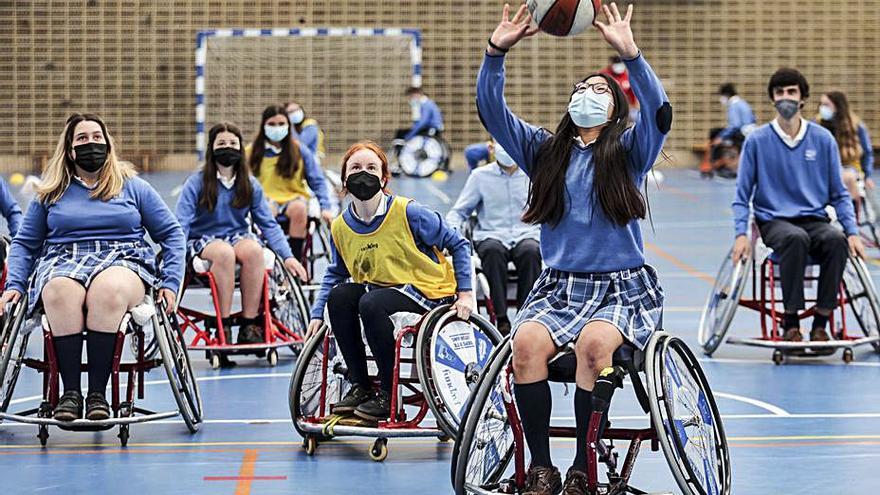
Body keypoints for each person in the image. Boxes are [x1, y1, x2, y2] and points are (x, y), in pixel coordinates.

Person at [478, 4, 668, 493]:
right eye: (582, 88)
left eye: (600, 89)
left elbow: (661, 115)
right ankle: (541, 467)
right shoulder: (544, 151)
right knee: (523, 347)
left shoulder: (629, 152)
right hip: (559, 287)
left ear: (615, 107)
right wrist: (496, 52)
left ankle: (584, 468)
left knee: (594, 347)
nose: (588, 93)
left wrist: (632, 56)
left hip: (620, 288)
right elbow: (491, 112)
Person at [0, 113, 185, 422]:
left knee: (107, 290)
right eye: (82, 139)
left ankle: (97, 394)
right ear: (70, 150)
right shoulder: (50, 193)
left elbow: (171, 234)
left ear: (108, 144)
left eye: (97, 138)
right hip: (63, 259)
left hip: (124, 258)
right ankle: (70, 393)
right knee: (58, 291)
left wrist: (171, 281)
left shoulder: (133, 187)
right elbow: (24, 244)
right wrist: (14, 286)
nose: (91, 144)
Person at [305, 141, 474, 422]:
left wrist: (465, 293)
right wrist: (316, 313)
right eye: (356, 168)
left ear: (384, 178)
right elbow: (336, 272)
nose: (364, 173)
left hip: (427, 292)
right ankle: (360, 385)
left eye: (372, 167)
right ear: (344, 179)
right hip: (380, 291)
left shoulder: (410, 212)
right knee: (341, 296)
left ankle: (387, 392)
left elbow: (458, 243)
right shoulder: (340, 226)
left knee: (370, 302)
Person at [732, 69, 866, 346]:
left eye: (791, 92)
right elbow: (742, 195)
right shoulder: (757, 141)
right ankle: (790, 322)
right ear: (772, 98)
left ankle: (821, 322)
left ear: (803, 98)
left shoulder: (823, 140)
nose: (785, 98)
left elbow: (840, 194)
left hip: (814, 219)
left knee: (835, 240)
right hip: (775, 221)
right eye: (779, 93)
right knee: (795, 239)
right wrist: (741, 235)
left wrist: (852, 231)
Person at [176, 122, 308, 353]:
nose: (227, 147)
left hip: (236, 235)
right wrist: (174, 258)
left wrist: (288, 257)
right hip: (203, 239)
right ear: (212, 148)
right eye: (222, 143)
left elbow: (268, 224)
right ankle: (223, 325)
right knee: (224, 253)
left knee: (254, 251)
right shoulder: (196, 183)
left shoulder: (249, 184)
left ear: (240, 148)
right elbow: (182, 224)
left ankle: (249, 325)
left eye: (232, 143)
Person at [446, 141, 540, 334]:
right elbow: (459, 212)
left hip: (527, 233)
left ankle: (525, 316)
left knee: (531, 251)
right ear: (491, 147)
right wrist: (450, 233)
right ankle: (501, 318)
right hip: (491, 233)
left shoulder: (534, 174)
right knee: (492, 251)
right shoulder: (479, 176)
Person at [248, 105, 334, 262]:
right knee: (266, 210)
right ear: (263, 126)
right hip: (266, 199)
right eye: (272, 124)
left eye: (281, 124)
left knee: (299, 209)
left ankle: (295, 261)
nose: (277, 128)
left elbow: (317, 180)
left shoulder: (299, 150)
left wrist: (325, 207)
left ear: (288, 126)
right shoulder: (251, 151)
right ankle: (269, 260)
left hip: (293, 198)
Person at [816, 91, 875, 204]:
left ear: (838, 106)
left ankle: (853, 210)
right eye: (821, 104)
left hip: (849, 166)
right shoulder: (816, 124)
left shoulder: (856, 126)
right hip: (823, 167)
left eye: (826, 105)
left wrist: (867, 175)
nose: (822, 108)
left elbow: (867, 153)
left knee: (846, 177)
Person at [702, 83, 757, 178]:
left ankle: (717, 166)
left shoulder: (734, 105)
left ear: (726, 95)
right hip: (750, 132)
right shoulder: (742, 102)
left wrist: (721, 137)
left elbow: (735, 125)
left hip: (742, 133)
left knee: (714, 135)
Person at [599, 55, 639, 121]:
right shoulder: (604, 75)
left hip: (624, 106)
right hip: (607, 106)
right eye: (616, 64)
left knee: (636, 116)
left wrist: (633, 105)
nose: (618, 66)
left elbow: (632, 93)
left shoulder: (627, 76)